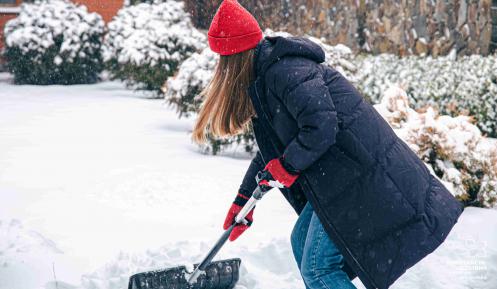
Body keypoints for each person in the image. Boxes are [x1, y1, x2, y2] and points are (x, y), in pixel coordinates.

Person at [192, 1, 464, 289]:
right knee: (302, 245)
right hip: (342, 179)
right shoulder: (266, 77)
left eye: (221, 61)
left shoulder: (285, 71)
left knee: (318, 267)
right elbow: (274, 150)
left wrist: (287, 166)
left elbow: (321, 125)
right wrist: (243, 200)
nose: (220, 70)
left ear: (234, 58)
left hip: (361, 177)